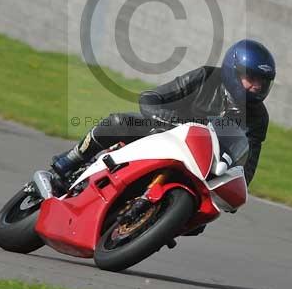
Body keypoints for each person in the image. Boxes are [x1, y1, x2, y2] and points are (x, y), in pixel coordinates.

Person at [52, 39, 276, 186]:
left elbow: (248, 166)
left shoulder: (258, 118)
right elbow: (152, 97)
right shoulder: (206, 77)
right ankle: (72, 158)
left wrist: (236, 186)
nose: (256, 87)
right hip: (162, 133)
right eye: (251, 78)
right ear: (232, 70)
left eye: (262, 82)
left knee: (202, 217)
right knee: (117, 121)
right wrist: (163, 116)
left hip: (201, 164)